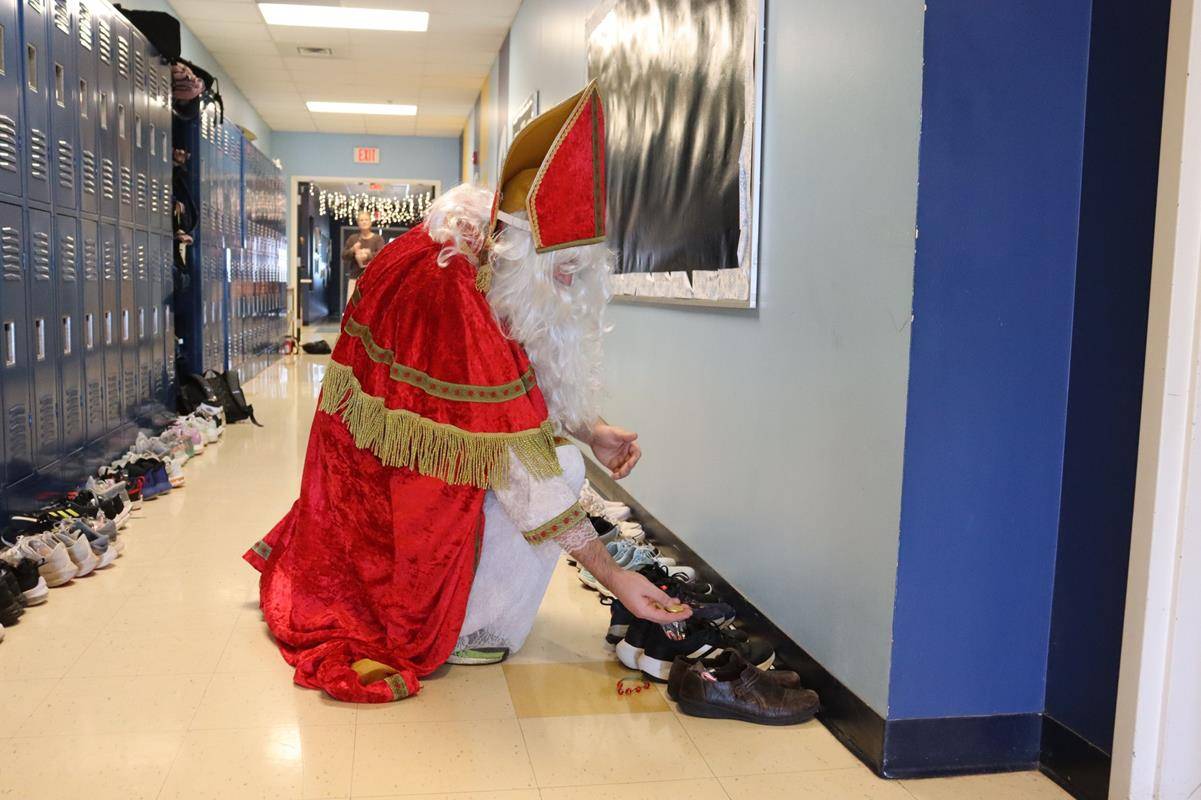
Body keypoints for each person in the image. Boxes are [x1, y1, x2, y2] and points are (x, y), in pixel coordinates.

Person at [243, 81, 690, 702]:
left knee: (561, 455)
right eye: (561, 267)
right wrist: (612, 575)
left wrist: (592, 429)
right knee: (552, 468)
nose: (571, 281)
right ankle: (467, 629)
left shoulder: (495, 254)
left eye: (581, 268)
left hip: (393, 454)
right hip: (382, 480)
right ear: (520, 242)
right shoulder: (453, 290)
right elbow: (513, 460)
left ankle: (471, 605)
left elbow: (519, 375)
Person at [341, 210, 384, 301]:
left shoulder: (378, 239)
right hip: (355, 278)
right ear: (358, 223)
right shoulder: (353, 239)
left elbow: (382, 255)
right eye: (361, 220)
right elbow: (344, 255)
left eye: (366, 219)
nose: (364, 222)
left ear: (370, 222)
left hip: (373, 279)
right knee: (352, 307)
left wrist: (368, 254)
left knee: (370, 307)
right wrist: (353, 250)